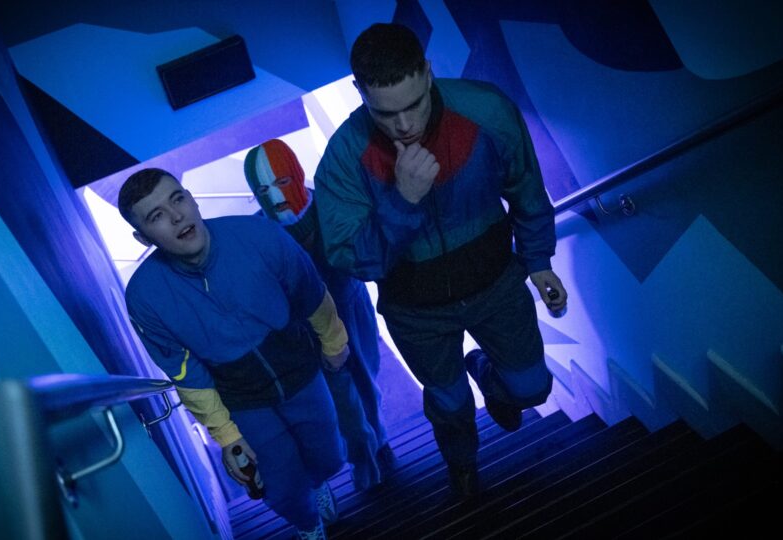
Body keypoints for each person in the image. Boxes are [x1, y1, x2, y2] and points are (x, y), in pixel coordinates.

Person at [314, 23, 568, 498]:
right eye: (385, 112)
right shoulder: (344, 157)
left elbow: (526, 188)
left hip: (497, 284)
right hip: (415, 311)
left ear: (428, 72)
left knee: (533, 388)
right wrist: (402, 202)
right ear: (359, 92)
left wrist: (538, 261)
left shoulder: (486, 110)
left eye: (413, 104)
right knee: (449, 403)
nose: (404, 125)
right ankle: (462, 464)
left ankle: (485, 372)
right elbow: (351, 259)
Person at [119, 168, 347, 539]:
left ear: (191, 198)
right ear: (143, 236)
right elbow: (185, 372)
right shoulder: (145, 297)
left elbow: (309, 291)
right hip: (241, 400)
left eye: (177, 199)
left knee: (329, 455)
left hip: (301, 372)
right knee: (280, 485)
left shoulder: (258, 235)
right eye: (157, 216)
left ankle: (319, 483)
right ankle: (308, 523)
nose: (176, 216)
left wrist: (334, 342)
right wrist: (226, 436)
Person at [243, 139, 396, 491]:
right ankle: (365, 456)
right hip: (306, 328)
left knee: (366, 379)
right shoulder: (260, 233)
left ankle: (379, 441)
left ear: (296, 175)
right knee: (340, 398)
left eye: (282, 182)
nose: (275, 196)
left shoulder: (330, 204)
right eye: (263, 190)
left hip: (351, 308)